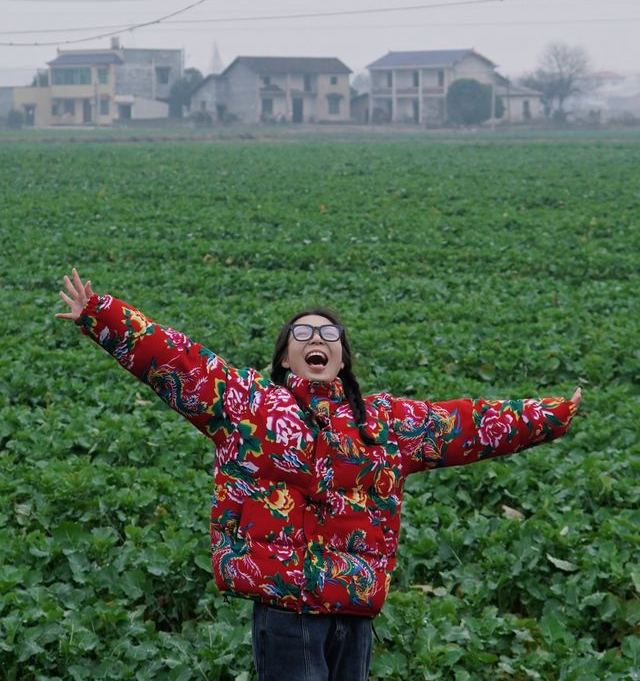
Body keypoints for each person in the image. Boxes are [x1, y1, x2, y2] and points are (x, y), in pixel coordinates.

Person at [57, 268, 582, 681]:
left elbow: (466, 425)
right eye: (303, 333)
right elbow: (177, 360)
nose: (317, 339)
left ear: (342, 359)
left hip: (353, 609)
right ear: (285, 357)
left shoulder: (383, 424)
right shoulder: (251, 408)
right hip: (287, 608)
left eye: (328, 334)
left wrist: (550, 414)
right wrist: (100, 315)